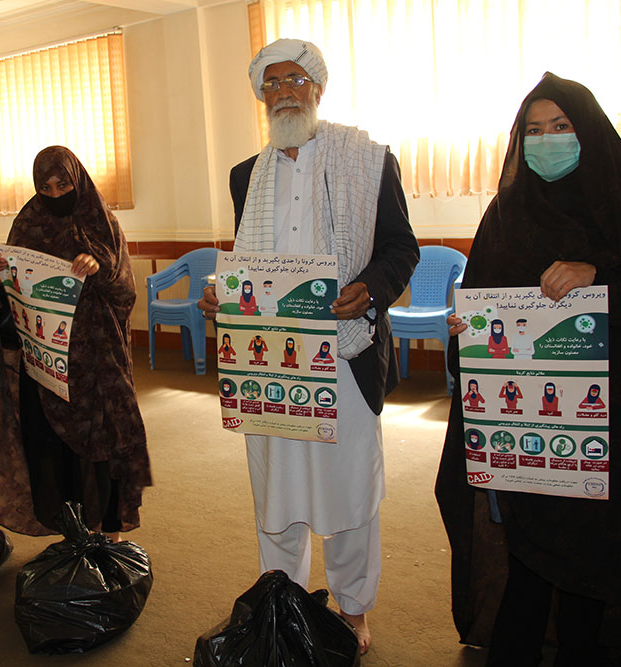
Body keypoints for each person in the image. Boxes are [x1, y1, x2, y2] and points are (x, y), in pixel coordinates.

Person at [435, 73, 621, 666]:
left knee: (593, 564)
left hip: (613, 428)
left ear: (589, 131)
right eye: (534, 130)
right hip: (528, 427)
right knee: (528, 561)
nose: (547, 141)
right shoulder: (505, 215)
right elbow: (480, 309)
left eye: (561, 127)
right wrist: (467, 332)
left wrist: (599, 278)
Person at [198, 38, 419, 653]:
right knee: (275, 484)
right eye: (272, 83)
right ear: (262, 96)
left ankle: (353, 607)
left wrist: (369, 290)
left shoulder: (369, 161)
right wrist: (222, 293)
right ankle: (282, 596)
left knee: (349, 486)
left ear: (318, 88)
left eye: (296, 78)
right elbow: (248, 263)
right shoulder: (248, 174)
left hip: (344, 354)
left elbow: (402, 249)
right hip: (269, 360)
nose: (285, 91)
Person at [0, 145, 152, 540]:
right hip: (45, 361)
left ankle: (110, 531)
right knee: (51, 447)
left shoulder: (100, 222)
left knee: (103, 443)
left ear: (78, 180)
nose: (54, 194)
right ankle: (70, 528)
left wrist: (98, 267)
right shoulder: (27, 223)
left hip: (96, 358)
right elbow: (12, 298)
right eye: (46, 187)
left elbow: (125, 292)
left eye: (63, 184)